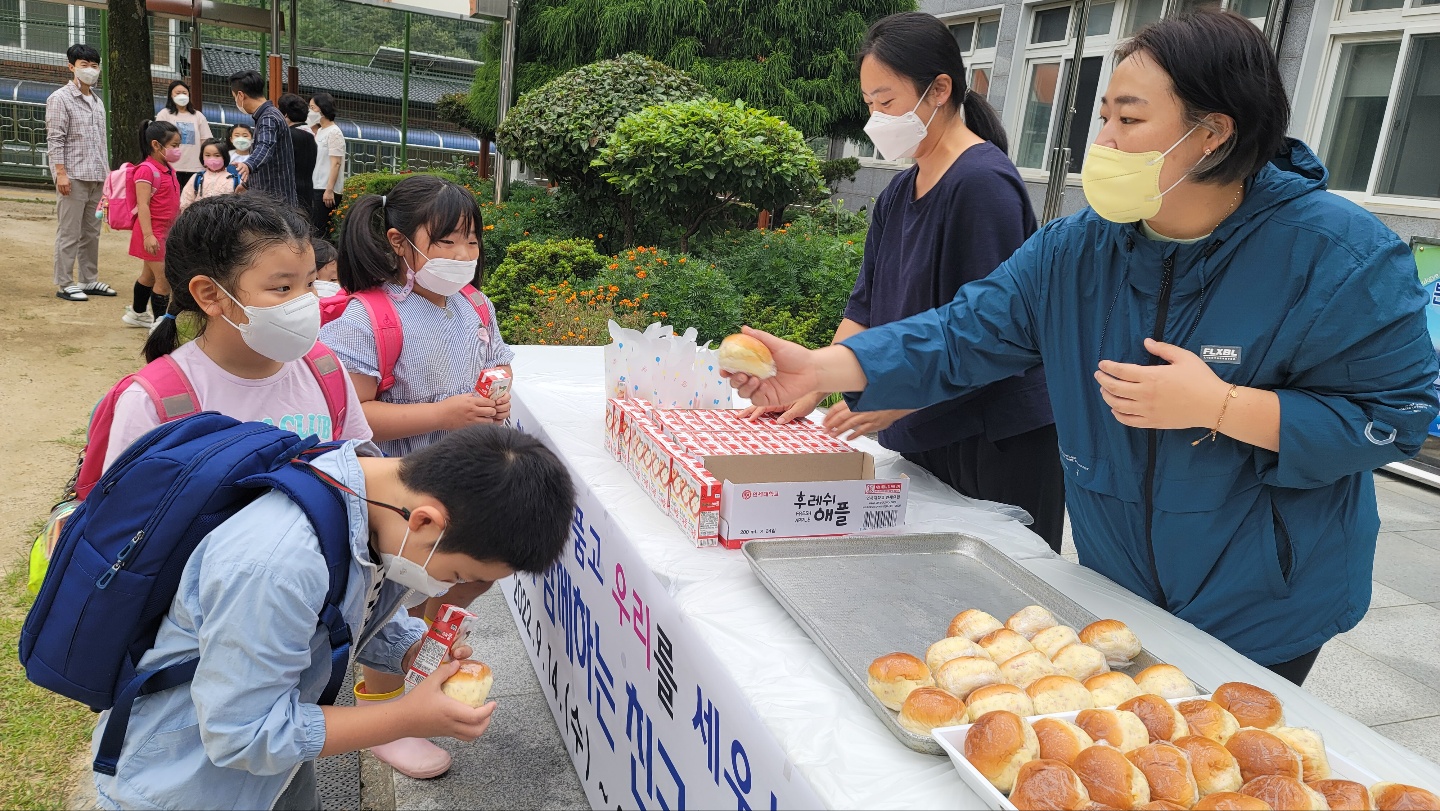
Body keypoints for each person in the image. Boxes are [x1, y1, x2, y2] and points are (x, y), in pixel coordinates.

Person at [723, 11, 1440, 687]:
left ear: (1212, 133)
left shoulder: (1337, 254)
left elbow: (1396, 416)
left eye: (1129, 120)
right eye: (1104, 117)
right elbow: (960, 331)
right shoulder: (1076, 248)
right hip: (1118, 578)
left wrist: (1222, 405)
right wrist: (821, 368)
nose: (1104, 141)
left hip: (1265, 604)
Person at [90, 422, 577, 810]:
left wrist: (409, 648)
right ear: (427, 520)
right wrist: (404, 717)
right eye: (456, 572)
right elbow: (241, 736)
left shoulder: (370, 497)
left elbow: (348, 613)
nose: (449, 587)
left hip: (277, 772)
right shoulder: (277, 565)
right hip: (184, 782)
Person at [747, 12, 1063, 550]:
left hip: (992, 441)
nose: (876, 118)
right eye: (870, 104)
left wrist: (898, 393)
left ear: (939, 90)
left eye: (887, 102)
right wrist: (813, 378)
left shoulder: (982, 185)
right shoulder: (899, 193)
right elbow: (864, 308)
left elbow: (992, 335)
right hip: (922, 426)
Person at [319, 173, 512, 779]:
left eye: (473, 243)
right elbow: (351, 414)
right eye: (447, 242)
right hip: (393, 502)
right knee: (385, 599)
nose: (463, 257)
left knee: (454, 586)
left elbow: (496, 367)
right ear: (401, 244)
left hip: (459, 484)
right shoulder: (369, 315)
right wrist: (445, 413)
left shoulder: (476, 307)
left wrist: (495, 400)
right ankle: (383, 711)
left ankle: (421, 672)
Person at [102, 194, 371, 471]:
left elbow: (357, 470)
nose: (309, 301)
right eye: (283, 288)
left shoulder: (324, 368)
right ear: (211, 295)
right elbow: (126, 511)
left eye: (311, 283)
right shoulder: (154, 402)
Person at [46, 44, 116, 302]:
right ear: (71, 66)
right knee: (69, 232)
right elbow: (55, 139)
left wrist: (107, 177)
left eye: (94, 65)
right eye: (84, 65)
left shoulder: (97, 102)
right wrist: (60, 173)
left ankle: (88, 279)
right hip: (73, 176)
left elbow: (100, 142)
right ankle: (65, 282)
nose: (90, 70)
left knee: (91, 232)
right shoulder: (60, 98)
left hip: (97, 176)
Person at [121, 120, 181, 330]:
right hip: (151, 232)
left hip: (164, 232)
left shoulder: (167, 168)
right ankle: (160, 322)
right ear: (157, 145)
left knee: (148, 276)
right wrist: (148, 235)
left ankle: (137, 314)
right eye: (174, 145)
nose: (177, 150)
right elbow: (143, 205)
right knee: (163, 277)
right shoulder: (146, 170)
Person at [229, 70, 297, 206]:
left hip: (275, 200)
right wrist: (248, 184)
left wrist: (248, 165)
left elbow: (265, 146)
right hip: (276, 197)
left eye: (234, 97)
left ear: (241, 95)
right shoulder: (269, 115)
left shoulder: (268, 118)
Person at [155, 79, 213, 190]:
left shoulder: (198, 116)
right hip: (172, 167)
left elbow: (206, 140)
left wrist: (207, 160)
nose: (182, 95)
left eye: (184, 93)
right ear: (171, 95)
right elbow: (158, 140)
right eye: (178, 93)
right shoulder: (164, 114)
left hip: (195, 167)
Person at [309, 93, 346, 236]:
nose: (310, 112)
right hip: (316, 186)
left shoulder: (334, 133)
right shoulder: (320, 131)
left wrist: (329, 189)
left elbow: (336, 163)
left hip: (325, 189)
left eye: (312, 108)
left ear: (322, 110)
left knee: (320, 231)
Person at [278, 93, 317, 212]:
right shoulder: (311, 136)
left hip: (287, 194)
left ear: (285, 114)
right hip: (307, 192)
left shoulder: (287, 136)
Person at [178, 138, 241, 209]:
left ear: (225, 157)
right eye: (207, 155)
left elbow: (240, 204)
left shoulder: (234, 179)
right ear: (202, 157)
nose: (212, 158)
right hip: (198, 218)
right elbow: (186, 201)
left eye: (217, 155)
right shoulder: (197, 178)